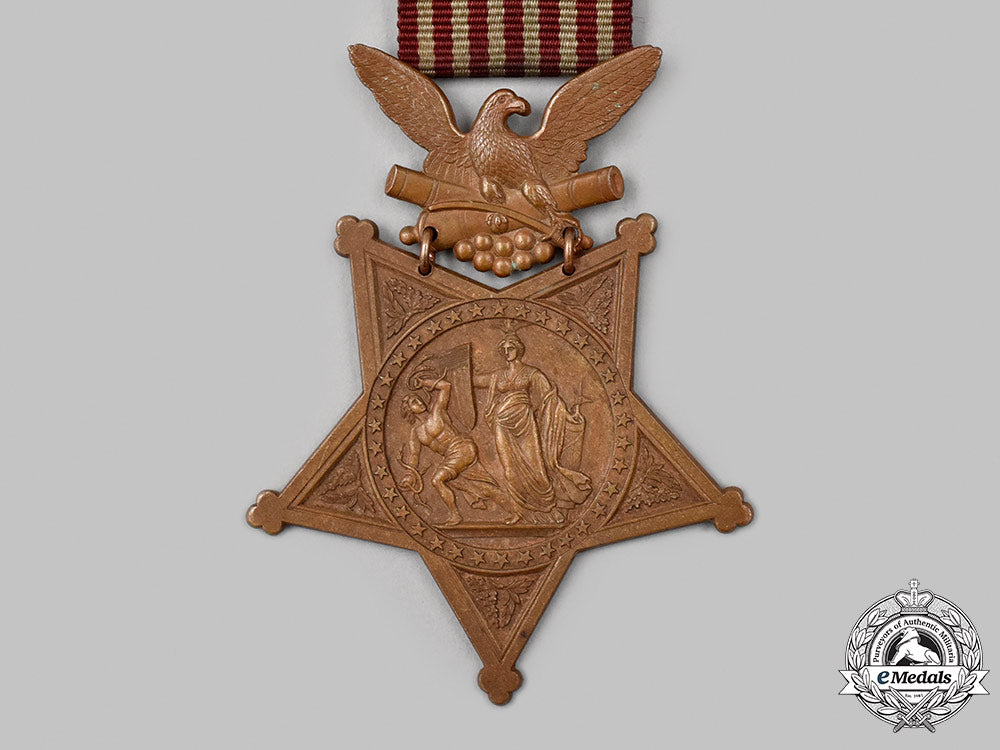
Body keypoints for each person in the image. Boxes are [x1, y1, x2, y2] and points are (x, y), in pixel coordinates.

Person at [472, 332, 591, 516]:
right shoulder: (498, 375)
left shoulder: (531, 373)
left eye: (510, 348)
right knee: (509, 469)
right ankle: (519, 512)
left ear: (519, 350)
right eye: (504, 349)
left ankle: (549, 506)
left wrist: (568, 416)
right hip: (501, 424)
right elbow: (476, 381)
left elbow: (550, 399)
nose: (507, 352)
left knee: (536, 467)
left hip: (525, 423)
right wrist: (456, 372)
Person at [400, 373, 521, 526]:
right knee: (483, 488)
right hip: (451, 456)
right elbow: (414, 455)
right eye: (413, 402)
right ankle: (517, 512)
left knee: (437, 480)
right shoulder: (416, 432)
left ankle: (455, 516)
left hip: (462, 448)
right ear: (409, 410)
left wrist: (424, 382)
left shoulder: (437, 411)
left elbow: (446, 386)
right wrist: (410, 475)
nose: (419, 402)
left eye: (418, 399)